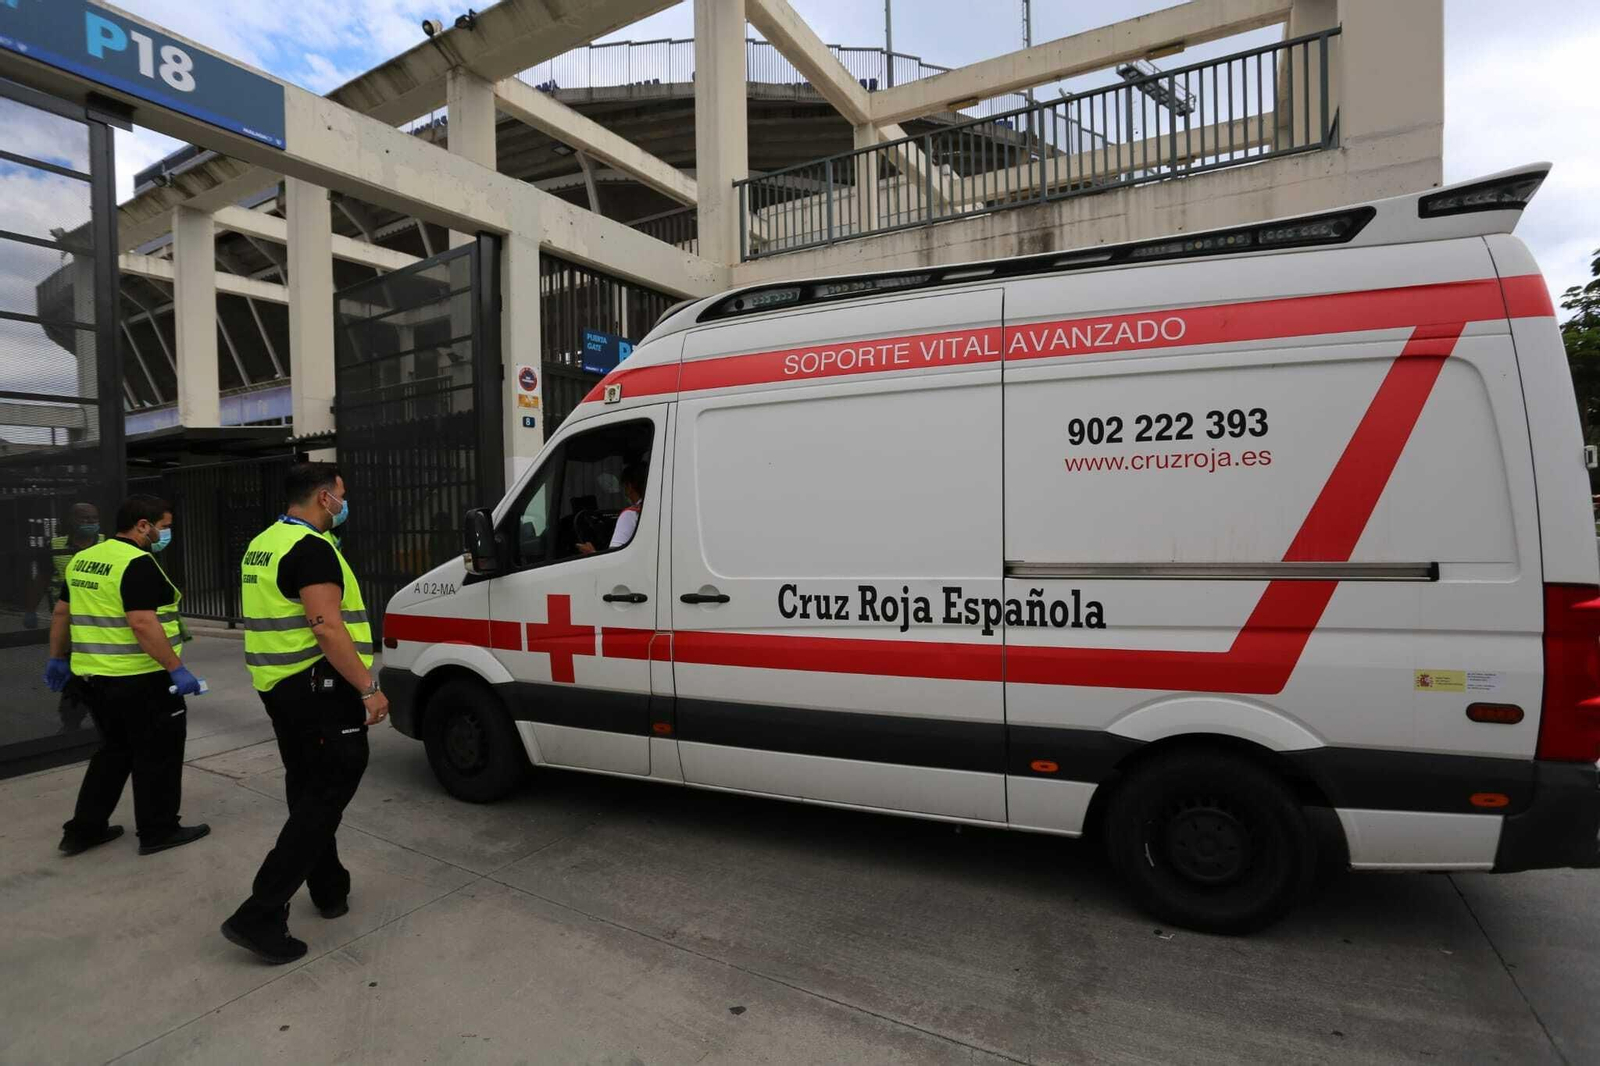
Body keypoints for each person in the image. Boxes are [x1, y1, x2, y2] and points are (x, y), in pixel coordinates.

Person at [222, 462, 387, 965]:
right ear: (322, 497)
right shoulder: (311, 548)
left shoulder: (264, 543)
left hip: (280, 687)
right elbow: (327, 627)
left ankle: (328, 887)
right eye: (341, 494)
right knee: (331, 786)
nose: (344, 503)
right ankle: (260, 910)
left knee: (309, 787)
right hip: (319, 687)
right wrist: (368, 687)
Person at [45, 494, 210, 857]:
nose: (165, 534)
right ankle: (158, 830)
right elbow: (142, 623)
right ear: (143, 526)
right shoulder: (137, 563)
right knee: (159, 754)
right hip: (142, 679)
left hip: (94, 680)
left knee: (113, 752)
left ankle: (83, 831)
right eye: (163, 527)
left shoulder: (84, 560)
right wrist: (176, 668)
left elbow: (61, 613)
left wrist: (57, 657)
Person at [577, 462, 646, 554]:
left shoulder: (630, 515)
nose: (624, 492)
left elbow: (615, 558)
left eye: (624, 486)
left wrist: (591, 553)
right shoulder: (658, 511)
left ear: (629, 487)